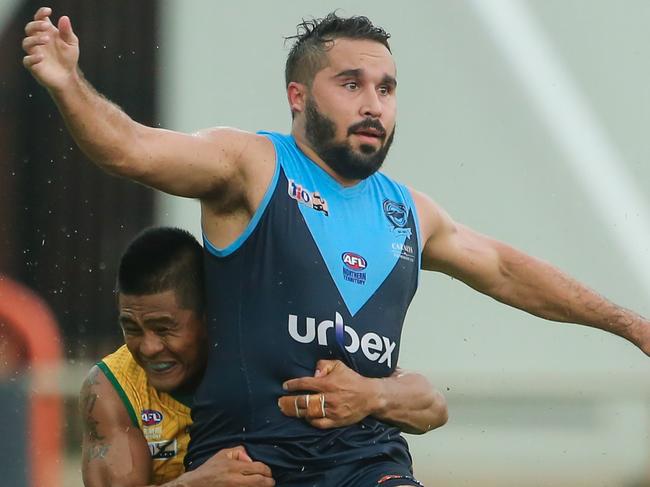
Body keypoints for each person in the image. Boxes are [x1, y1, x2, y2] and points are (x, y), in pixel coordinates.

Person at [24, 7, 649, 486]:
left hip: (366, 463)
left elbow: (510, 272)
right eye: (351, 84)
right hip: (250, 466)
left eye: (386, 87)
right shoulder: (251, 166)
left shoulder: (410, 211)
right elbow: (129, 148)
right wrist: (67, 82)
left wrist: (629, 324)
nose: (373, 104)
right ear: (299, 97)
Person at [80, 227, 447, 487]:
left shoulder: (268, 340)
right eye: (131, 327)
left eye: (164, 328)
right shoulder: (112, 387)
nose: (148, 347)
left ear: (212, 316)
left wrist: (370, 394)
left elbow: (432, 408)